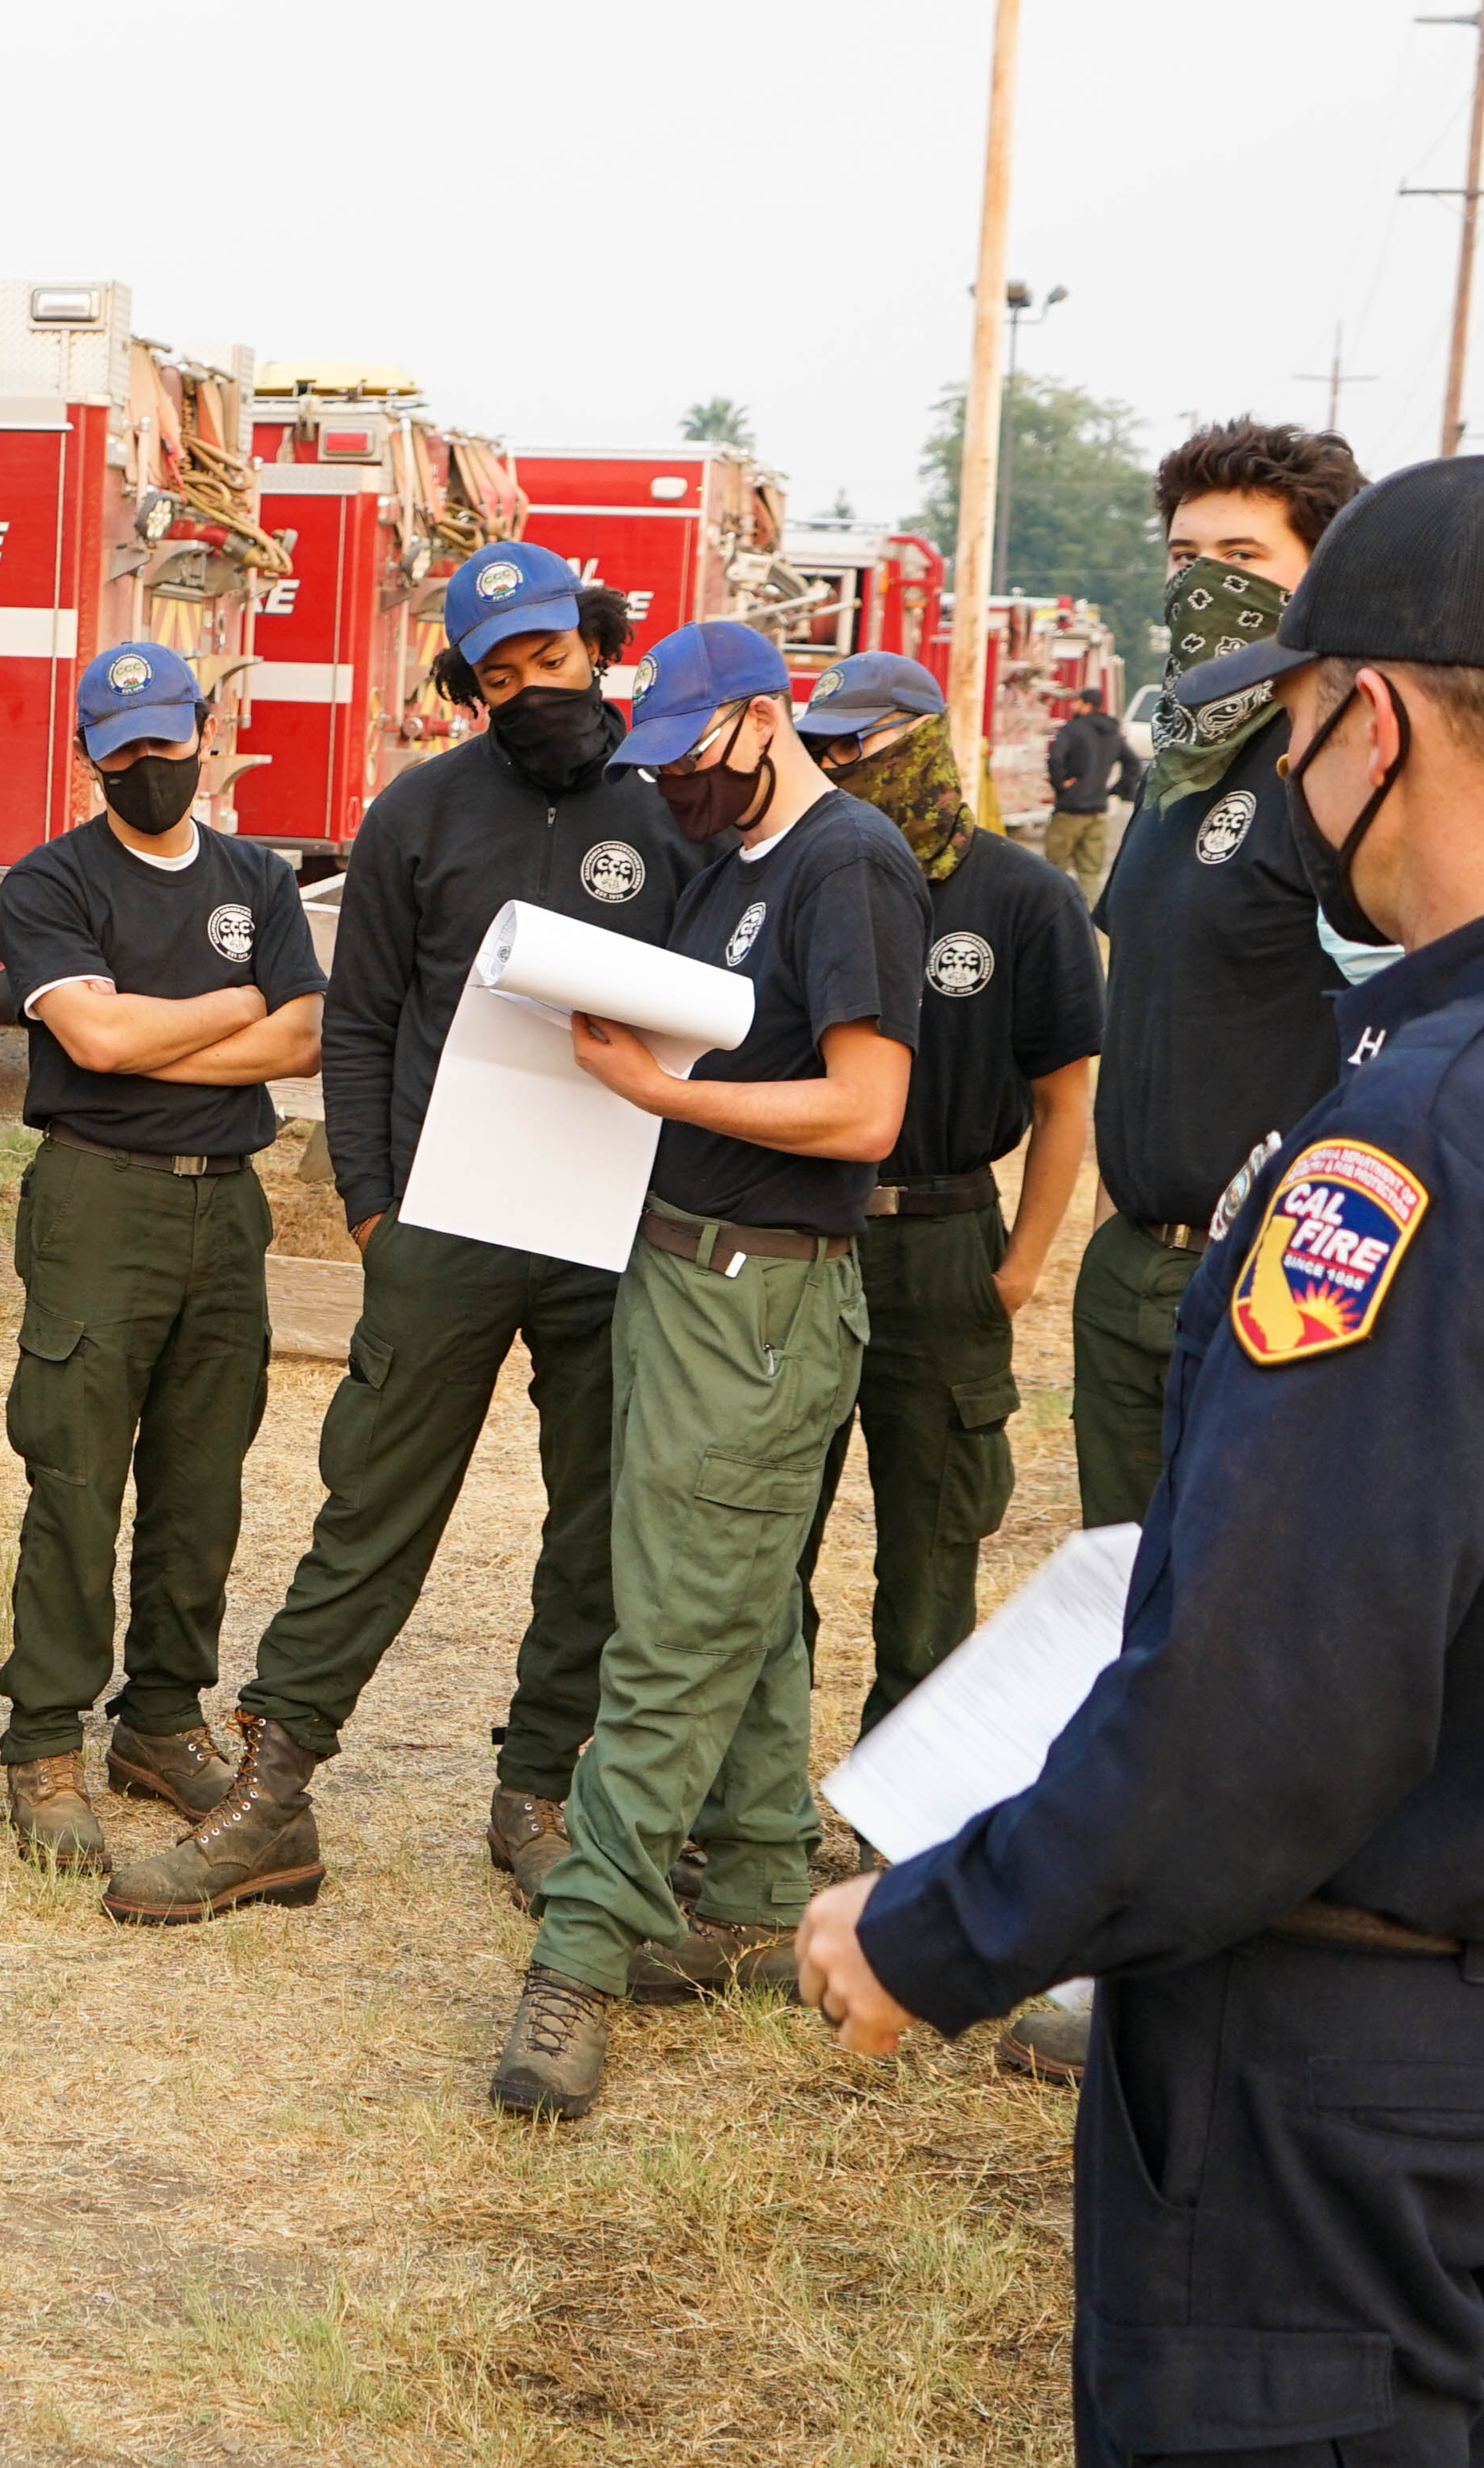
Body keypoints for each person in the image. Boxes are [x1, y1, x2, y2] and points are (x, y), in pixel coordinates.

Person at [797, 450, 1484, 2468]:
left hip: (1310, 2079)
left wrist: (926, 1930)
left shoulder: (1409, 1143)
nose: (1288, 791)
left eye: (1294, 731)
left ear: (1369, 721)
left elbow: (1257, 1710)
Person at [103, 541, 704, 1927]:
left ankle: (536, 1791)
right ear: (469, 686)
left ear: (594, 647)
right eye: (497, 677)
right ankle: (272, 1797)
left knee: (598, 1517)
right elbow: (361, 1018)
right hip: (447, 1218)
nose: (529, 691)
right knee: (370, 1507)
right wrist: (373, 1201)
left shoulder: (668, 810)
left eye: (548, 661)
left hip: (614, 1227)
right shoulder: (419, 812)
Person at [485, 617, 925, 2120]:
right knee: (733, 1589)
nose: (672, 788)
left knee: (671, 1620)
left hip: (763, 1298)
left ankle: (586, 1944)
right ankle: (744, 1882)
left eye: (688, 759)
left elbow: (867, 1112)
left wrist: (658, 1088)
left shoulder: (846, 861)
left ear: (758, 721)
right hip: (685, 1269)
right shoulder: (734, 865)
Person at [0, 642, 325, 1871]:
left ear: (204, 730)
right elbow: (95, 1036)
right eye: (121, 744)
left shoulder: (257, 876)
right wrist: (232, 1005)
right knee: (74, 1478)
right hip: (97, 1202)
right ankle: (42, 1739)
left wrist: (150, 1035)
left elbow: (301, 1038)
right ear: (87, 753)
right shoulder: (49, 882)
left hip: (225, 1208)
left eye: (165, 738)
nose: (147, 764)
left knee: (202, 1484)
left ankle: (163, 1718)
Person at [788, 653, 1101, 1730]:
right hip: (806, 1230)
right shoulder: (801, 875)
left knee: (933, 1540)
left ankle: (898, 1824)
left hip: (943, 1239)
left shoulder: (1022, 895)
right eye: (818, 746)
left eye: (854, 744)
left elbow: (1065, 1100)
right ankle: (744, 1810)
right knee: (770, 1525)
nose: (832, 765)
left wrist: (1017, 1266)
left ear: (921, 737)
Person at [1073, 423, 1372, 1536]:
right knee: (1117, 1594)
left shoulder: (1335, 776)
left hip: (1277, 1285)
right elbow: (1146, 1014)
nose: (1201, 581)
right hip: (1129, 1274)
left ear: (1322, 578)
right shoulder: (1174, 771)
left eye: (1241, 558)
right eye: (1181, 555)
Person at [1040, 692, 1139, 905]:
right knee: (1091, 873)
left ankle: (1053, 916)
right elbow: (1134, 764)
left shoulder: (1072, 729)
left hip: (1069, 812)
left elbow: (1055, 758)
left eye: (1077, 701)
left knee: (1054, 870)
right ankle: (1090, 926)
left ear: (1086, 705)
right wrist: (1117, 790)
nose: (1074, 705)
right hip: (1098, 813)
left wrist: (1061, 784)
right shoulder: (1112, 733)